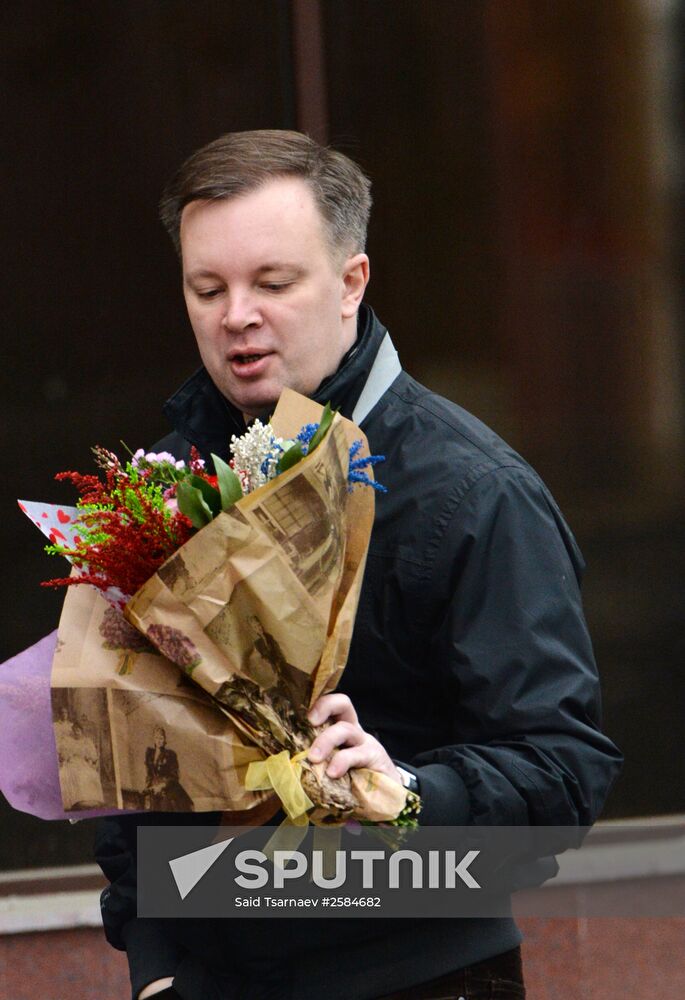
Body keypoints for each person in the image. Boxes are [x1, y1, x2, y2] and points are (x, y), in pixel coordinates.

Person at [95, 130, 622, 1000]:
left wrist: (407, 793)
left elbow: (562, 772)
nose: (236, 315)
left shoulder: (473, 490)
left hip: (422, 973)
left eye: (272, 283)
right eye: (206, 287)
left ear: (350, 283)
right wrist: (153, 962)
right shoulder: (163, 482)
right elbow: (121, 769)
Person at [143, 727, 194, 813]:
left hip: (167, 787)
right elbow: (149, 773)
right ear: (153, 739)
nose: (158, 741)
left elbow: (175, 776)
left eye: (161, 738)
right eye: (156, 738)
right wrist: (148, 786)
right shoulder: (149, 754)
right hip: (153, 788)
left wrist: (162, 786)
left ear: (164, 740)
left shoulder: (170, 754)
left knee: (166, 807)